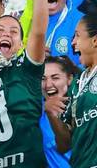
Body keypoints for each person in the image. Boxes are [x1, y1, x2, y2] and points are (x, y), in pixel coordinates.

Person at [0, 0, 54, 167]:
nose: (7, 33)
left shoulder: (27, 71)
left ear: (21, 44)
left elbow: (38, 31)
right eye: (0, 30)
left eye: (14, 31)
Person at [47, 14, 97, 167]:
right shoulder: (77, 83)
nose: (73, 42)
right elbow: (64, 145)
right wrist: (52, 115)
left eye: (77, 35)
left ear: (95, 41)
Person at [22, 0, 83, 66]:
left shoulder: (81, 23)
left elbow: (90, 65)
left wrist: (62, 68)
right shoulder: (27, 18)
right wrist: (32, 54)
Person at [40, 55, 81, 168]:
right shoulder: (35, 111)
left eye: (55, 78)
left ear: (69, 79)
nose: (48, 85)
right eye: (43, 79)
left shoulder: (83, 108)